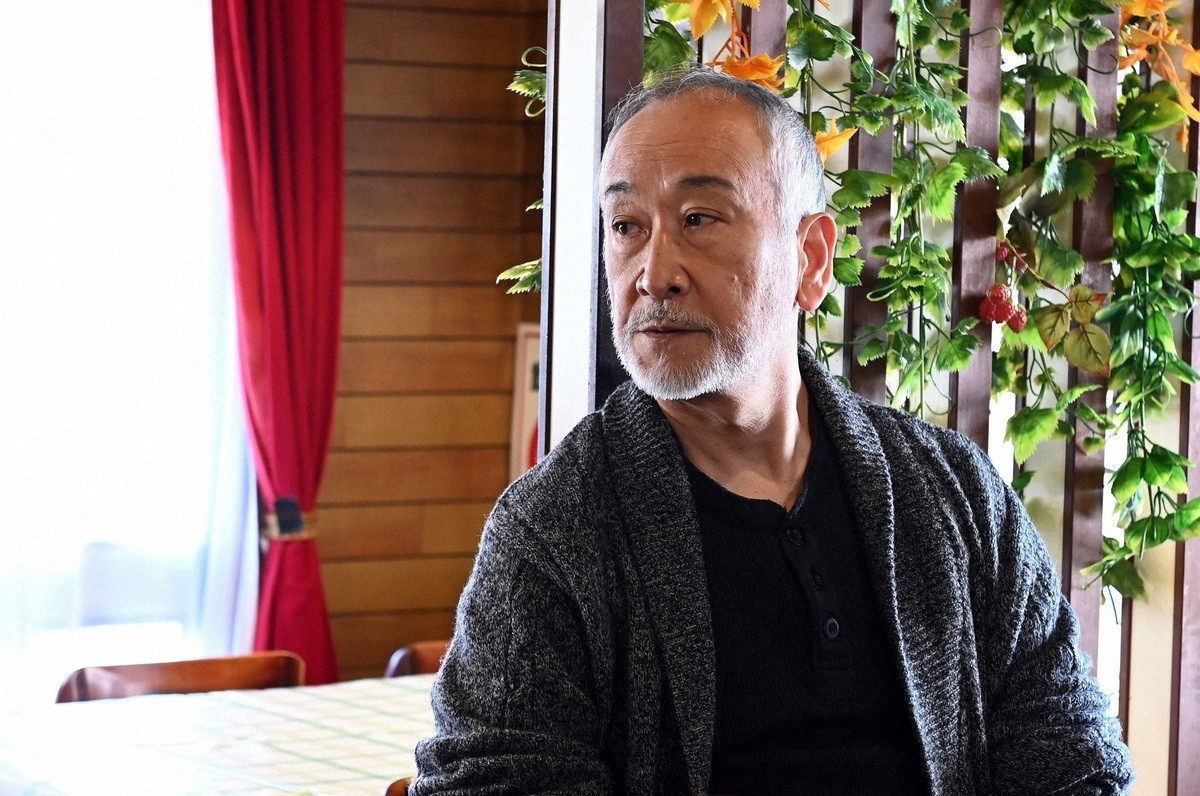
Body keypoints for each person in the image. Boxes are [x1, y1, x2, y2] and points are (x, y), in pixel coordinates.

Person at [410, 66, 1133, 795]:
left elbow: (1073, 761)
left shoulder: (952, 493)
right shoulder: (556, 527)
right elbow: (494, 780)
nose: (653, 274)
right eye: (626, 226)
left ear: (810, 259)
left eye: (700, 219)